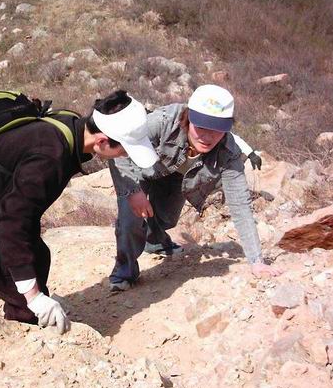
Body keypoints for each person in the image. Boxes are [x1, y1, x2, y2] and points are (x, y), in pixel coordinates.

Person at [0, 90, 158, 334]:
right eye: (125, 150)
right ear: (102, 141)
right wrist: (33, 297)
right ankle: (28, 329)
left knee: (38, 257)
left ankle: (34, 314)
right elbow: (11, 224)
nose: (125, 155)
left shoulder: (71, 125)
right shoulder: (50, 157)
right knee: (20, 289)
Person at [108, 84, 280, 291]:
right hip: (139, 169)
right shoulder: (162, 121)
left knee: (167, 219)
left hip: (176, 176)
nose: (207, 137)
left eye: (216, 130)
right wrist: (133, 191)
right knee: (131, 219)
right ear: (188, 118)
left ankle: (154, 242)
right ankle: (124, 272)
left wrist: (256, 261)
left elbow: (240, 206)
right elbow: (119, 147)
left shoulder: (229, 152)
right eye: (201, 127)